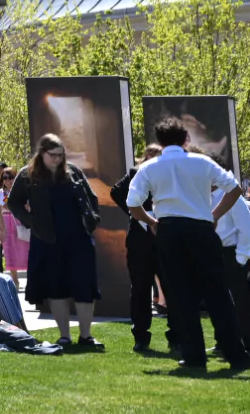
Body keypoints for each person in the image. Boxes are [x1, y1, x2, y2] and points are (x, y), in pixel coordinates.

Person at [125, 117, 250, 372]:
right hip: (201, 228)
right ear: (186, 139)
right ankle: (237, 355)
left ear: (159, 142)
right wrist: (214, 215)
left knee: (181, 295)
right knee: (218, 293)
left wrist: (151, 221)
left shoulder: (149, 167)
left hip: (169, 230)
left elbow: (132, 203)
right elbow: (234, 188)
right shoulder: (201, 161)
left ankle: (194, 356)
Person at [9, 132, 103, 350]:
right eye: (53, 155)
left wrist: (92, 219)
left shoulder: (73, 171)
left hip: (79, 237)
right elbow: (14, 202)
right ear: (42, 153)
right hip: (48, 239)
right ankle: (64, 336)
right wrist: (31, 222)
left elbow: (91, 198)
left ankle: (86, 336)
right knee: (56, 288)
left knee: (84, 287)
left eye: (61, 155)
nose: (58, 159)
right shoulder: (27, 175)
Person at [111, 146, 161, 353]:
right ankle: (141, 337)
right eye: (156, 157)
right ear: (148, 156)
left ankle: (176, 336)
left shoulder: (166, 174)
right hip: (139, 238)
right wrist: (136, 213)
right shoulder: (134, 173)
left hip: (163, 235)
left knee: (171, 285)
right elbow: (115, 192)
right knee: (140, 288)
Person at [218, 179, 250, 361]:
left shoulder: (232, 198)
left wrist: (242, 256)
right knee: (219, 301)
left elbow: (245, 227)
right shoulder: (200, 196)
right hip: (212, 252)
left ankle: (247, 342)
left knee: (240, 301)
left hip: (232, 253)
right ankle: (223, 341)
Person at [0, 165, 29, 286]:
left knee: (25, 250)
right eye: (5, 178)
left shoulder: (22, 191)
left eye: (11, 177)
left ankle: (31, 279)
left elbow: (28, 205)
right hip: (6, 222)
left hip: (19, 221)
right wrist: (1, 228)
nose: (8, 181)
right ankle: (15, 280)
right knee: (9, 252)